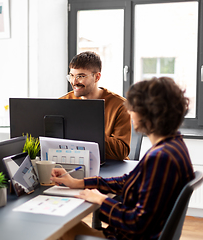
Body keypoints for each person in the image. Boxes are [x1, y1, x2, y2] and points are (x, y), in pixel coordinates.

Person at [52, 77, 194, 240]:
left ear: (148, 114)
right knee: (62, 226)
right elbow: (130, 181)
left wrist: (102, 200)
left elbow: (137, 223)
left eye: (133, 108)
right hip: (127, 234)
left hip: (125, 237)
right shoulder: (173, 145)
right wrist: (79, 182)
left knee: (56, 231)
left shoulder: (161, 158)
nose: (129, 113)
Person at [60, 51, 131, 160]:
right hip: (73, 162)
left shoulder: (120, 105)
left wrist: (90, 132)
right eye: (72, 75)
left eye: (80, 76)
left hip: (110, 167)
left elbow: (122, 151)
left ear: (97, 77)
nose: (74, 82)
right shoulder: (63, 102)